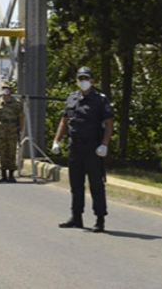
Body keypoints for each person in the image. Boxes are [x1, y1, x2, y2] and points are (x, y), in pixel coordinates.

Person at [52, 67, 113, 232]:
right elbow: (64, 121)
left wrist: (104, 144)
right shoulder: (72, 98)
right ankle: (76, 217)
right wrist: (57, 141)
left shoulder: (100, 99)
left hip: (93, 148)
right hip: (75, 147)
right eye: (80, 78)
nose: (83, 81)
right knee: (76, 185)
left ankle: (100, 220)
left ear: (92, 80)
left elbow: (108, 124)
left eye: (85, 78)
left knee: (96, 185)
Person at [0, 80, 24, 183]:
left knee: (12, 152)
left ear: (10, 90)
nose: (5, 90)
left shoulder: (16, 103)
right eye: (3, 88)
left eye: (7, 88)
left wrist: (22, 131)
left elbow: (21, 118)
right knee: (2, 152)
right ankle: (3, 175)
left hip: (12, 129)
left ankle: (11, 175)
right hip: (1, 130)